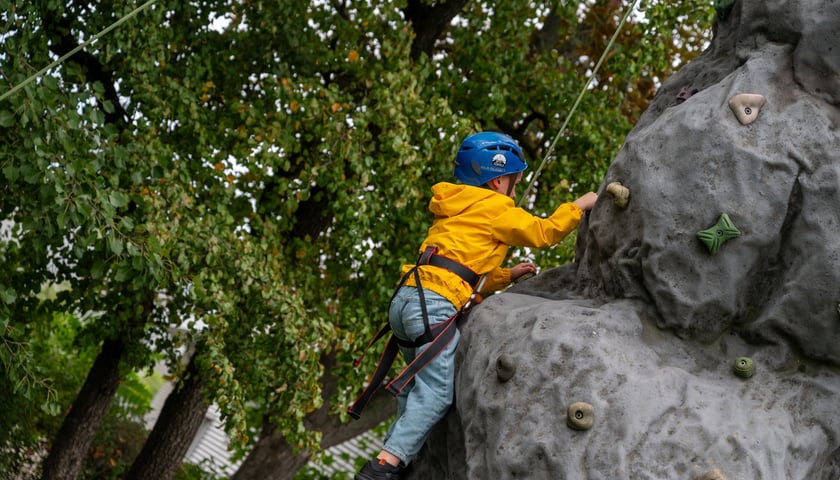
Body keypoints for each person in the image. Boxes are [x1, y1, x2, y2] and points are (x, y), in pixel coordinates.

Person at [354, 131, 597, 480]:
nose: (514, 190)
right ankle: (383, 467)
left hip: (408, 299)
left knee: (415, 386)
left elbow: (459, 265)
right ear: (499, 180)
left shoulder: (455, 206)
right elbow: (543, 233)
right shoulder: (496, 208)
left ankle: (400, 459)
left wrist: (505, 275)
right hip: (434, 306)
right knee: (437, 392)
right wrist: (578, 206)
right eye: (514, 182)